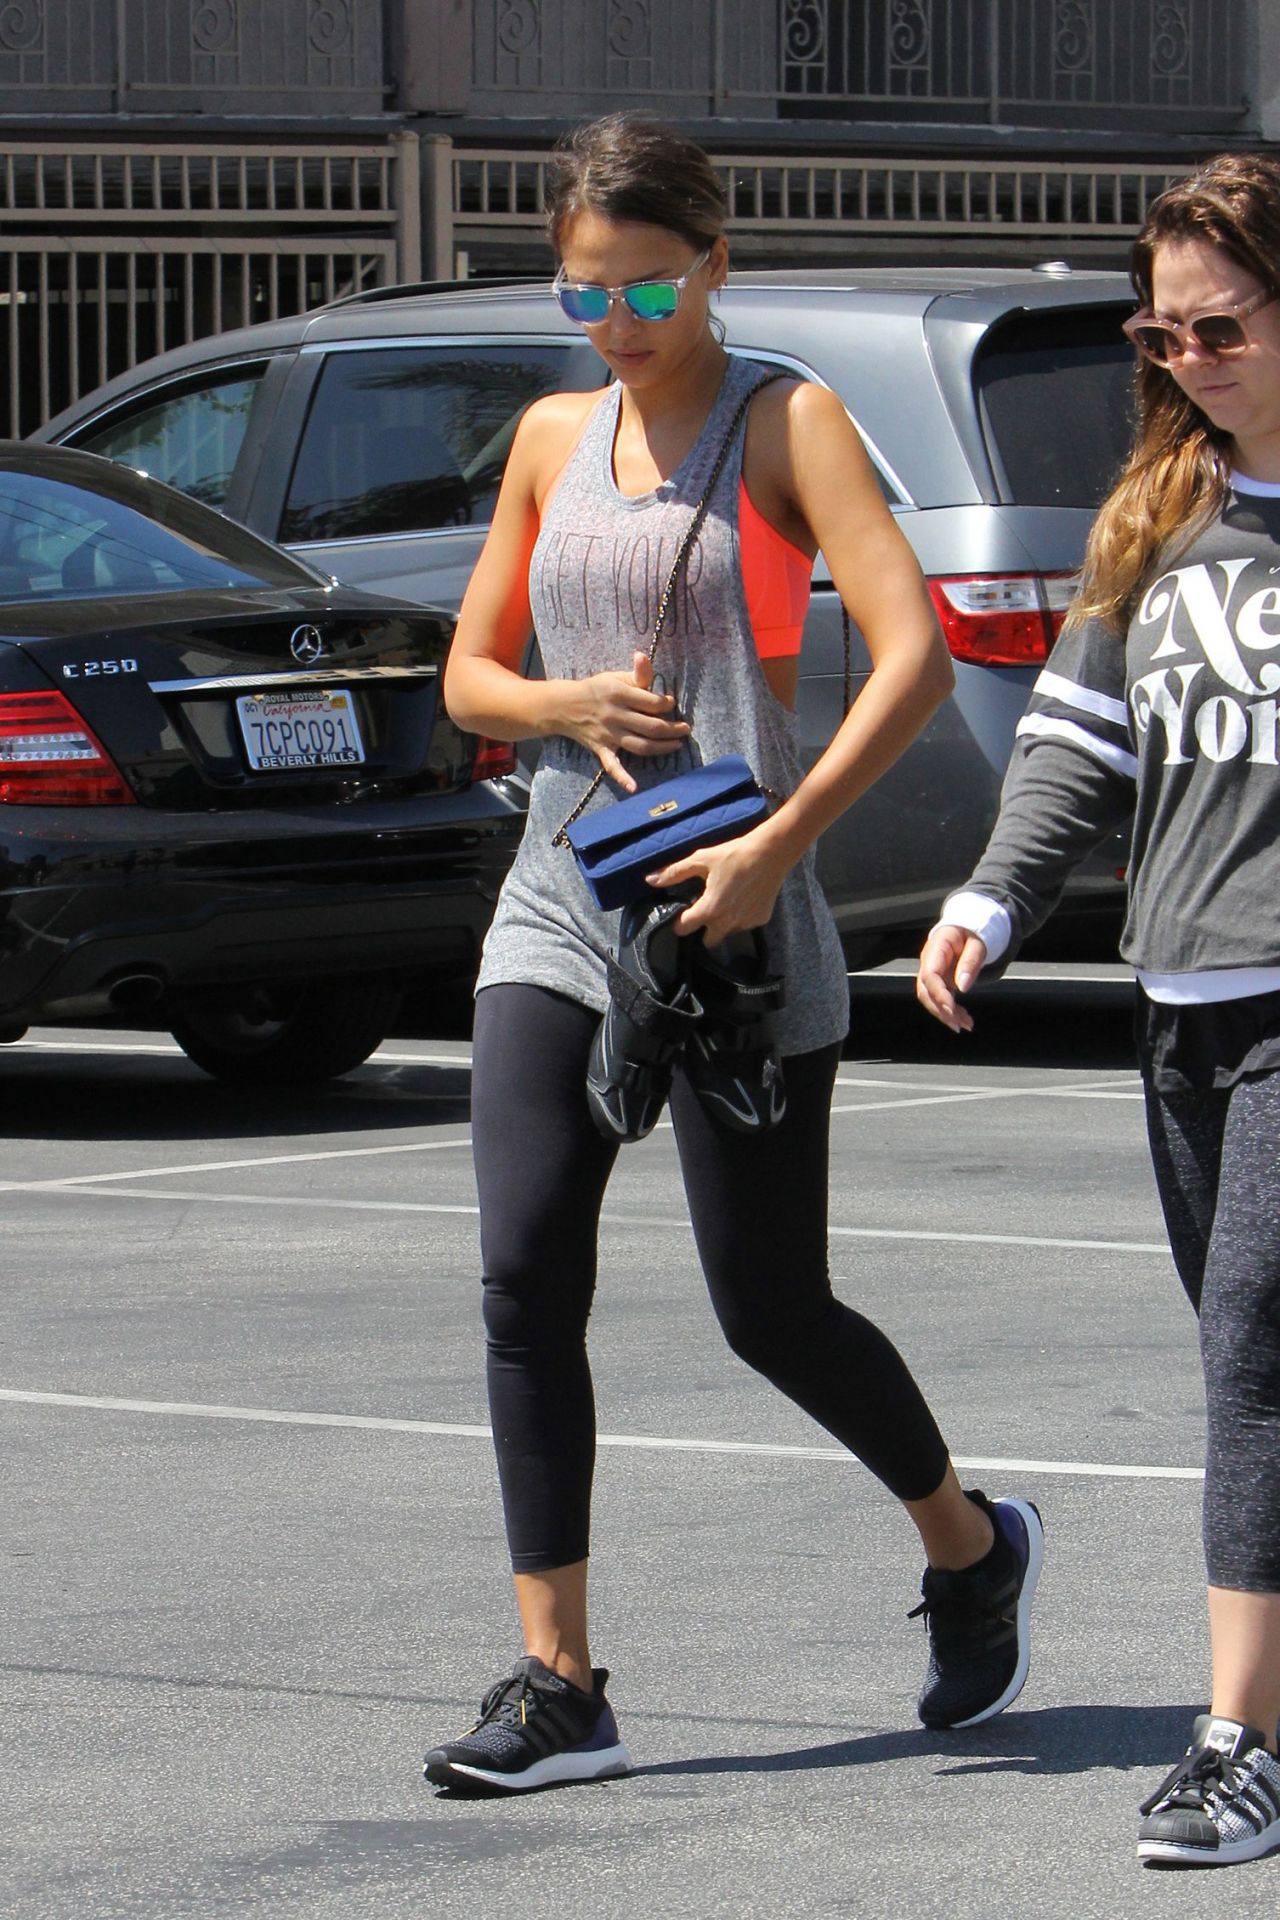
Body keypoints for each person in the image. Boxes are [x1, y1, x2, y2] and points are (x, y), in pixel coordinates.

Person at [425, 110, 1043, 1796]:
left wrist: (782, 846)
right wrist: (558, 703)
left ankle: (970, 1544)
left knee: (770, 1309)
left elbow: (911, 656)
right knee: (521, 1273)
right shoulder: (554, 439)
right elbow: (469, 680)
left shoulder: (790, 419)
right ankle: (561, 1686)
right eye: (583, 299)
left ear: (712, 265)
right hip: (563, 899)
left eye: (644, 292)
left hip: (736, 924)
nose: (617, 327)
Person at [917, 151, 1280, 1869]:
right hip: (1184, 998)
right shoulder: (1151, 517)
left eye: (1218, 326)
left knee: (1252, 1352)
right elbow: (1075, 751)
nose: (1187, 358)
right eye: (1163, 331)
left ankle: (1237, 1740)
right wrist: (991, 896)